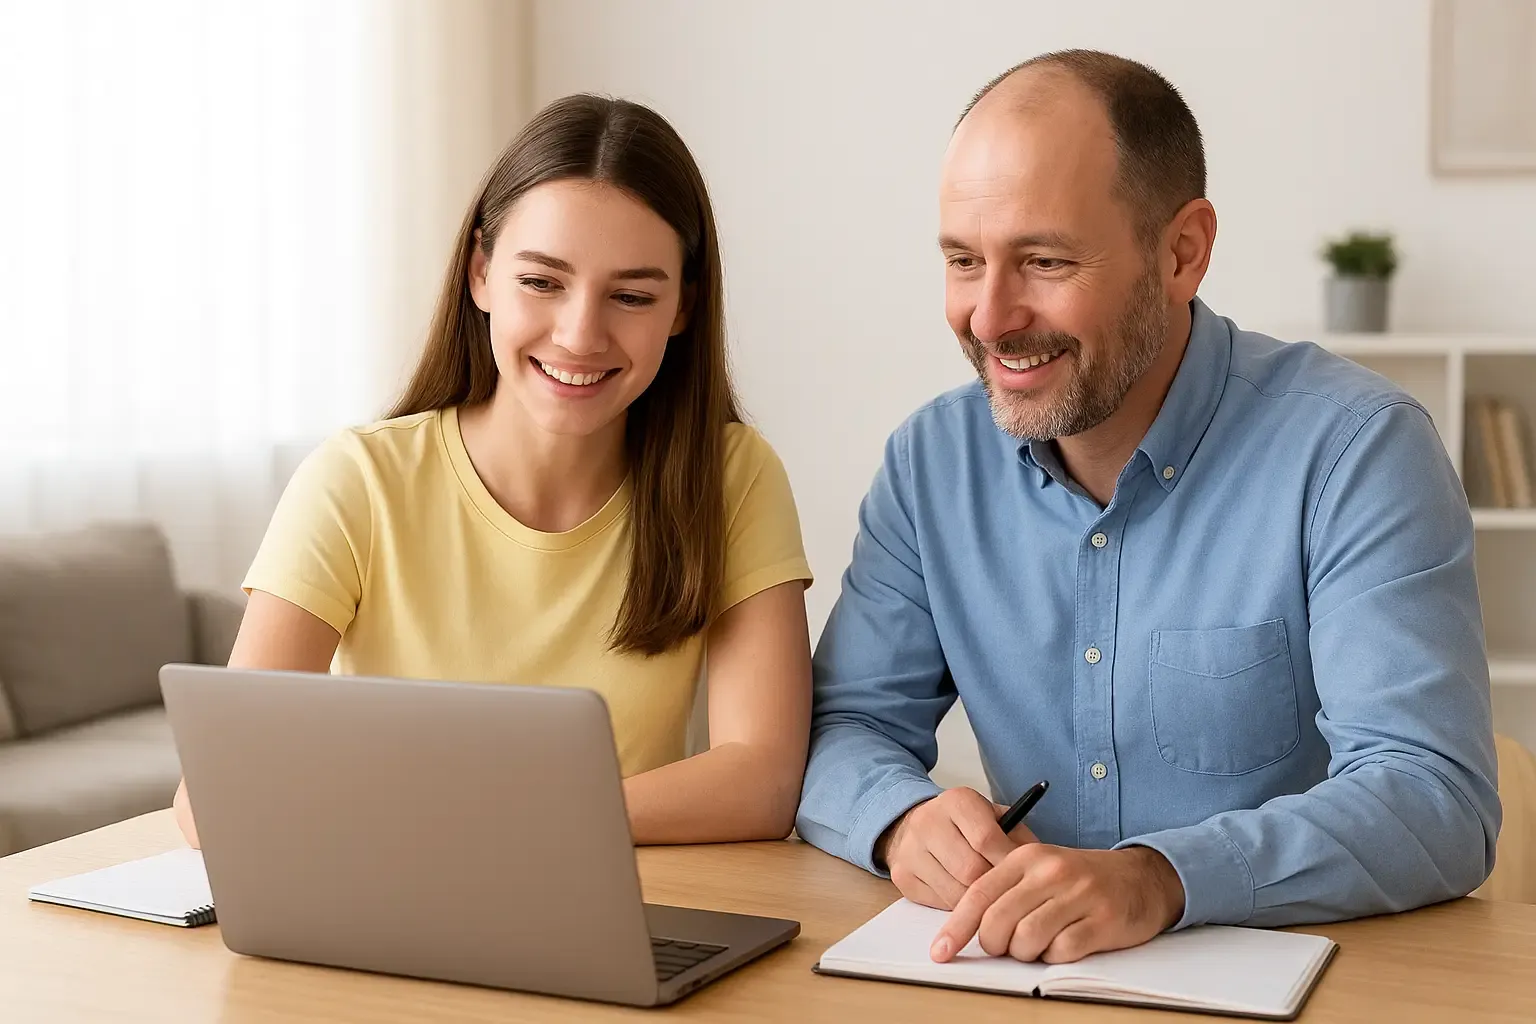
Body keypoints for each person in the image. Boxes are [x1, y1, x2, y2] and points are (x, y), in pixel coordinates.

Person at [795, 50, 1500, 965]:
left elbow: (1433, 796)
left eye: (1044, 261)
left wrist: (1160, 879)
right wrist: (900, 818)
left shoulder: (1357, 450)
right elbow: (843, 727)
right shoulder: (931, 464)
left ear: (1182, 252)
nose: (989, 316)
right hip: (1020, 973)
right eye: (965, 261)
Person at [174, 94, 814, 849]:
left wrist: (494, 819)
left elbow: (762, 780)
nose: (580, 334)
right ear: (481, 273)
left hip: (624, 909)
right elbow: (214, 792)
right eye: (541, 282)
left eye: (632, 296)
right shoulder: (359, 480)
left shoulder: (731, 476)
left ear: (682, 307)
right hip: (390, 895)